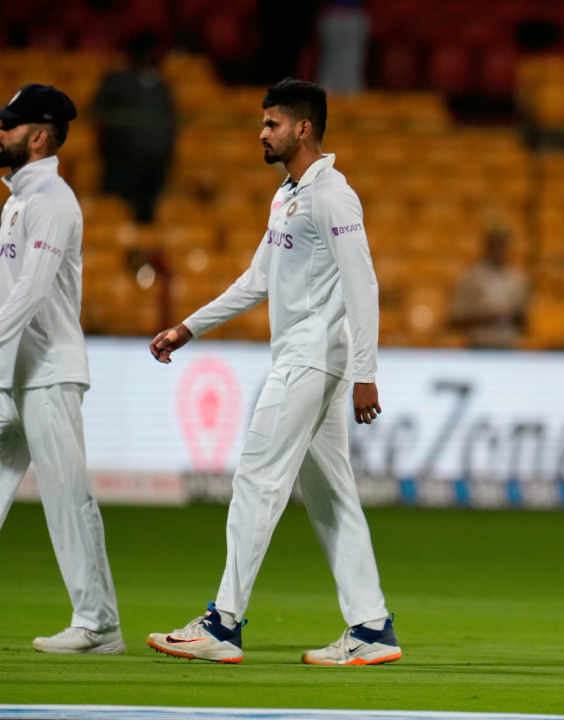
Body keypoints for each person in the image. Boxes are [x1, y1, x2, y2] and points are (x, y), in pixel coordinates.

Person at [144, 79, 397, 667]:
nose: (262, 132)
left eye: (272, 124)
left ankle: (222, 623)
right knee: (331, 495)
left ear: (303, 128)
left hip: (312, 360)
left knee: (256, 480)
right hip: (309, 359)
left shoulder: (332, 195)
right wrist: (189, 328)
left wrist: (367, 372)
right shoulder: (289, 194)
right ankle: (372, 627)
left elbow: (364, 285)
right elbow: (256, 280)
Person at [0, 85, 124, 654]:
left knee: (67, 499)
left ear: (38, 136)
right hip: (11, 376)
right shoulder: (18, 199)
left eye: (8, 125)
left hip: (50, 372)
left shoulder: (53, 200)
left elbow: (34, 288)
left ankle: (99, 625)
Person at [91, 32, 176, 224]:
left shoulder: (162, 85)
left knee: (147, 217)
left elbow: (170, 122)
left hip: (155, 166)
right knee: (116, 214)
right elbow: (100, 117)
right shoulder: (116, 80)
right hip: (121, 163)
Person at [448, 229, 528, 348]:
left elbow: (524, 320)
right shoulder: (470, 278)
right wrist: (486, 317)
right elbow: (455, 318)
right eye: (494, 246)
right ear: (486, 248)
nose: (498, 251)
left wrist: (512, 316)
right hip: (478, 345)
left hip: (508, 345)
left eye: (501, 246)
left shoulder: (517, 279)